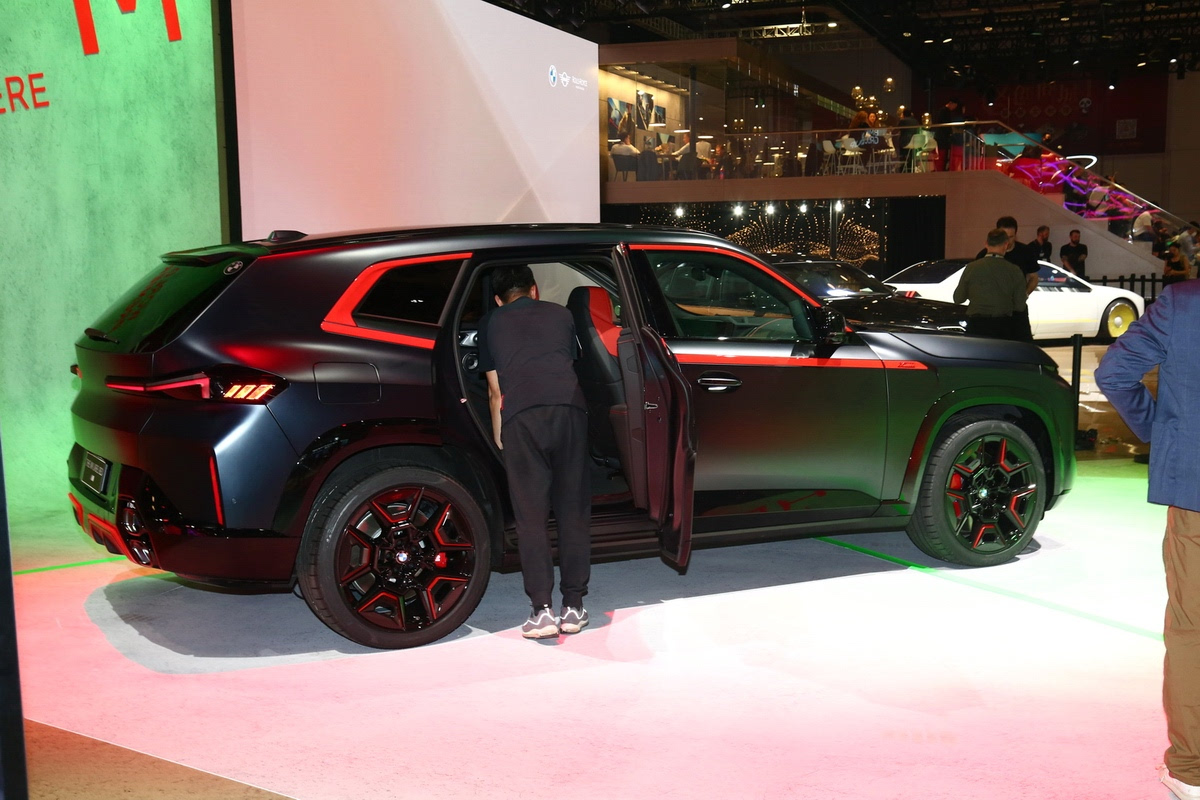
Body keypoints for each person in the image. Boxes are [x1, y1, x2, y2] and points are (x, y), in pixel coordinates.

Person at [1094, 279, 1200, 800]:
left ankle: (1191, 771)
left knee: (1191, 630)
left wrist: (1162, 431)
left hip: (1196, 492)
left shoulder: (1184, 304)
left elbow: (1114, 372)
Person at [477, 265, 592, 639]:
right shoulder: (562, 315)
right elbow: (566, 364)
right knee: (572, 511)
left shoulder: (491, 323)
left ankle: (541, 611)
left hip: (523, 418)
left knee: (531, 517)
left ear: (499, 299)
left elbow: (495, 391)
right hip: (569, 411)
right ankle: (573, 606)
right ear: (534, 289)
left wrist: (500, 433)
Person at [953, 228, 1028, 340]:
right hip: (1003, 327)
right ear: (1006, 245)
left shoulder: (972, 267)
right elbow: (1020, 306)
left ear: (986, 244)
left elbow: (958, 298)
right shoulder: (1014, 270)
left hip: (976, 326)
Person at [976, 215, 1039, 340]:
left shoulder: (1025, 251)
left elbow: (1034, 277)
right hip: (993, 312)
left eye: (1011, 237)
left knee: (1022, 344)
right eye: (1005, 237)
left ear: (1016, 235)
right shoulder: (984, 255)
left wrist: (1024, 294)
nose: (1008, 241)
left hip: (1017, 310)